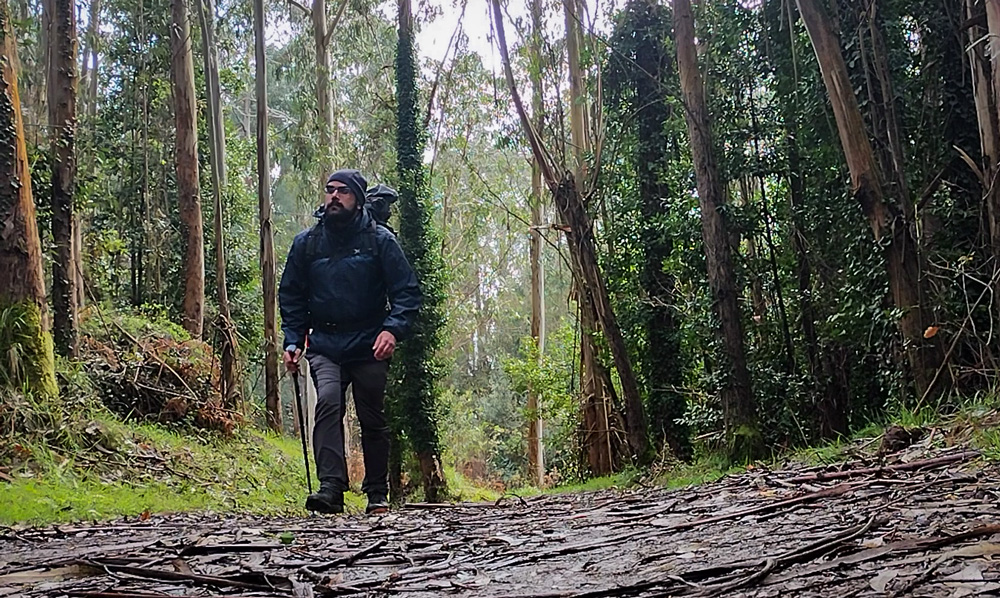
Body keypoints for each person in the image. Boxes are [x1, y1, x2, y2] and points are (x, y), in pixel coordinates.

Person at [279, 169, 421, 514]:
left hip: (370, 342)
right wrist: (293, 339)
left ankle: (376, 493)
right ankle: (330, 488)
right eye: (330, 190)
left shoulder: (380, 240)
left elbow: (407, 291)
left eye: (342, 191)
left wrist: (392, 330)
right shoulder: (307, 243)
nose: (334, 196)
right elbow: (292, 295)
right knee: (327, 402)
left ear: (357, 198)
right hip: (325, 342)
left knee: (372, 414)